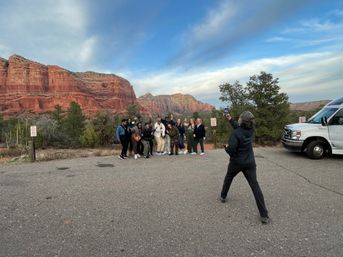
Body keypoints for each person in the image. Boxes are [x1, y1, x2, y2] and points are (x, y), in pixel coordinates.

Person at [219, 112, 270, 224]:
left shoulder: (236, 133)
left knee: (228, 178)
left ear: (242, 121)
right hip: (250, 162)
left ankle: (223, 196)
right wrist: (230, 119)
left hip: (236, 162)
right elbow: (239, 129)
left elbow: (232, 151)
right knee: (255, 186)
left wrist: (226, 147)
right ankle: (264, 215)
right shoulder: (250, 130)